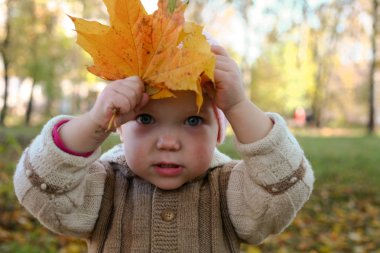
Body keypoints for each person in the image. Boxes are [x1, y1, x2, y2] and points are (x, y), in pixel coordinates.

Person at [14, 45, 314, 252]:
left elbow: (284, 189)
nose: (168, 142)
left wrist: (237, 106)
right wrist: (93, 122)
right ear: (118, 126)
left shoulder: (231, 190)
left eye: (193, 120)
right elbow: (41, 188)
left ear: (220, 130)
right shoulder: (102, 186)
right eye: (146, 119)